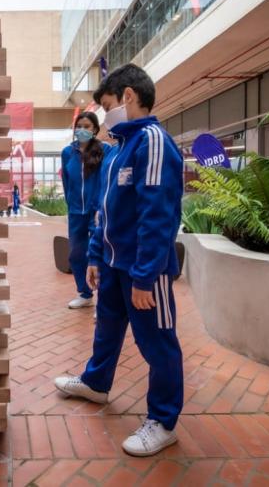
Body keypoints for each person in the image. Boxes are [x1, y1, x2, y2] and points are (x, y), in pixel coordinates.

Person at [54, 63, 184, 457]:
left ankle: (163, 421)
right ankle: (97, 383)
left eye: (108, 104)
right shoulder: (117, 150)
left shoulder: (153, 142)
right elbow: (104, 212)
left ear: (128, 97)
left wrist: (145, 277)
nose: (105, 114)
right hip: (112, 265)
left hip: (143, 271)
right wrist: (95, 256)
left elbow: (158, 217)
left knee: (158, 344)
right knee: (106, 330)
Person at [61, 111, 105, 310]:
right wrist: (71, 204)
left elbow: (107, 179)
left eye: (86, 126)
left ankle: (104, 299)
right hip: (76, 212)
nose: (82, 130)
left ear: (95, 129)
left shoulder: (104, 151)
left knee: (100, 253)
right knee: (76, 254)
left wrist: (102, 205)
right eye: (79, 126)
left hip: (97, 212)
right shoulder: (67, 153)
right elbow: (66, 182)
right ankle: (85, 294)